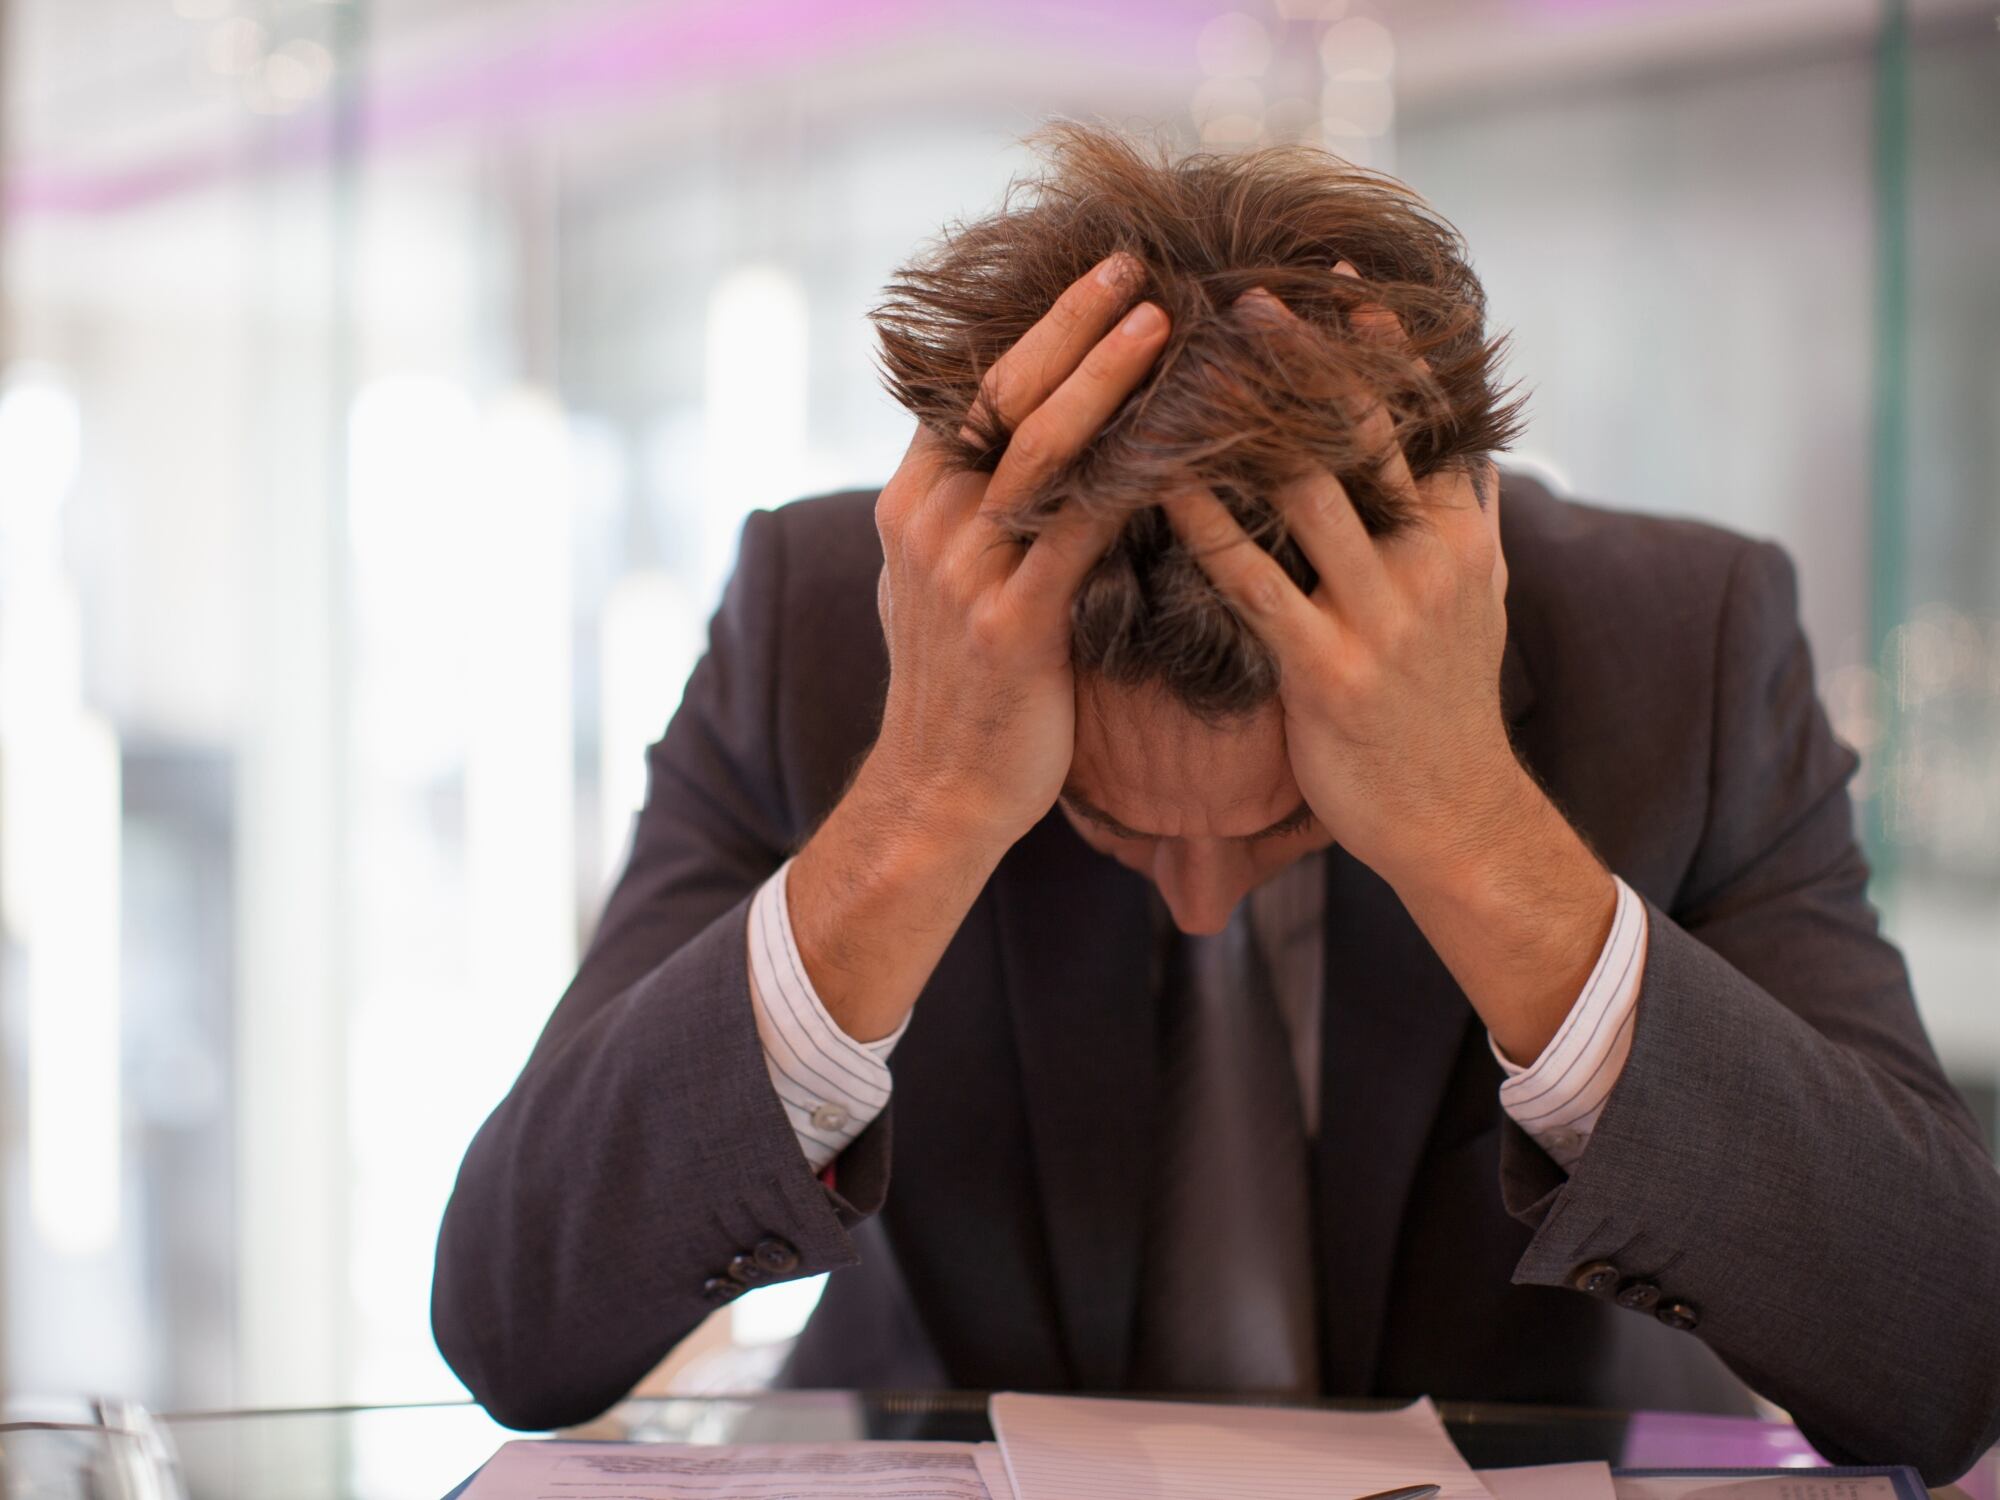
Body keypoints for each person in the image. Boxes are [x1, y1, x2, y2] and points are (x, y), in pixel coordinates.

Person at [430, 127, 2000, 1483]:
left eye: (1279, 830)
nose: (1194, 895)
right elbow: (517, 1323)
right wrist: (918, 809)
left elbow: (1949, 1351)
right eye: (1109, 822)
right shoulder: (830, 630)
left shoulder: (1687, 646)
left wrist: (1472, 834)